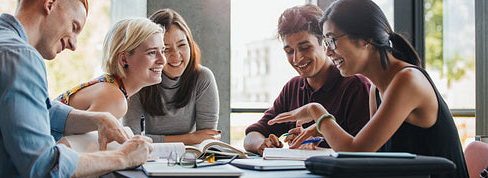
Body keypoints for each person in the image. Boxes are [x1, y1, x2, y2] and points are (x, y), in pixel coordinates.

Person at [268, 0, 468, 177]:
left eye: (331, 40)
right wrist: (322, 130)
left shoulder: (407, 80)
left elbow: (355, 153)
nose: (328, 51)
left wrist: (316, 112)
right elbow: (369, 155)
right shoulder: (376, 89)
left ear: (365, 39)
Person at [0, 0, 153, 177]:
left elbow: (32, 112)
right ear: (50, 4)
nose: (74, 44)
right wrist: (122, 157)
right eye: (74, 27)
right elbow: (43, 166)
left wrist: (98, 119)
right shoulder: (20, 57)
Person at [243, 4, 371, 156]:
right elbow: (253, 134)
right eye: (289, 51)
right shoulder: (293, 87)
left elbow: (363, 152)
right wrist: (262, 144)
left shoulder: (356, 86)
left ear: (325, 43)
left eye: (305, 48)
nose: (297, 59)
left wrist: (318, 144)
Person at [123, 8, 220, 145]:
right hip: (148, 159)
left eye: (182, 45)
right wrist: (191, 138)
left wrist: (155, 139)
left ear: (190, 44)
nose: (176, 55)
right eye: (166, 49)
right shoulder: (138, 79)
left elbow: (207, 139)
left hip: (189, 160)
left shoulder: (202, 78)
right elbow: (131, 139)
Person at [55, 17, 166, 120]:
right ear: (124, 59)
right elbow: (66, 140)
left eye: (163, 51)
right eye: (152, 52)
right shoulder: (114, 99)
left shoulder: (111, 87)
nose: (163, 60)